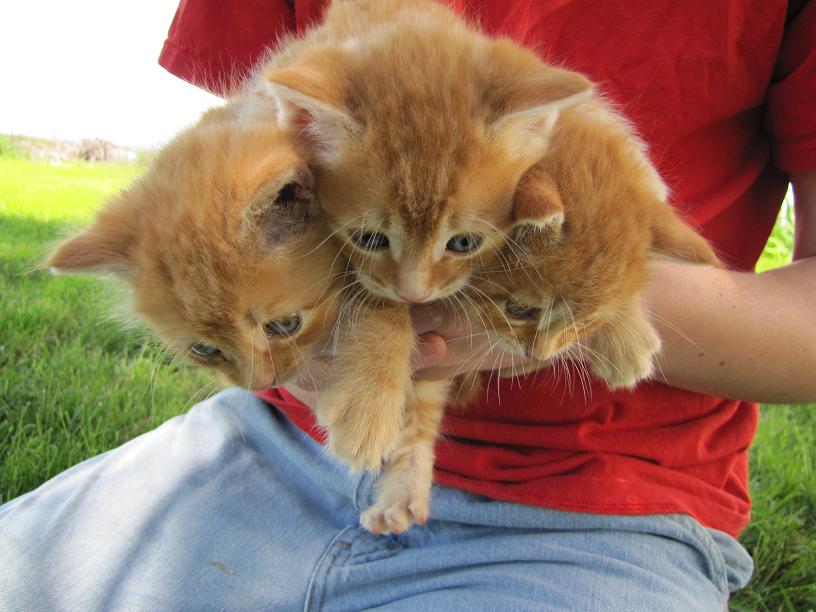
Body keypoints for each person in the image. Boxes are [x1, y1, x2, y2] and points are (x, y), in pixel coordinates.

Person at [1, 1, 814, 609]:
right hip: (276, 439)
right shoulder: (322, 98)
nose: (415, 288)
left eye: (457, 245)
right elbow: (254, 154)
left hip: (599, 503)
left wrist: (598, 292)